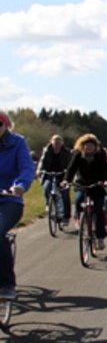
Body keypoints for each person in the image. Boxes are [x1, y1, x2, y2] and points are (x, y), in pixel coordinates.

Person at [0, 111, 35, 300]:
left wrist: (20, 185)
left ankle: (6, 284)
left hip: (8, 200)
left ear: (6, 126)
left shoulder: (17, 143)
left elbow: (27, 167)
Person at [64, 133, 107, 250]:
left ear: (95, 147)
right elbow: (71, 169)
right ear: (82, 146)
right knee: (79, 200)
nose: (88, 147)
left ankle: (100, 238)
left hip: (97, 185)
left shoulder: (100, 156)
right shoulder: (78, 155)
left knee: (98, 211)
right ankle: (80, 218)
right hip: (82, 184)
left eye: (91, 145)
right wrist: (66, 181)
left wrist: (105, 181)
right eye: (86, 145)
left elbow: (105, 169)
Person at [36, 134, 72, 227]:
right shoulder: (47, 150)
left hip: (62, 174)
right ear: (51, 142)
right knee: (47, 188)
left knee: (64, 194)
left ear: (62, 144)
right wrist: (39, 171)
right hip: (50, 173)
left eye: (59, 144)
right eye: (55, 143)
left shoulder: (65, 152)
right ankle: (49, 204)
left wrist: (68, 172)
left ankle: (66, 217)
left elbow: (70, 164)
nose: (57, 146)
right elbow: (42, 162)